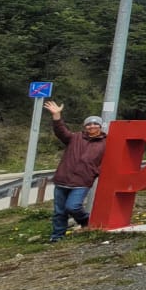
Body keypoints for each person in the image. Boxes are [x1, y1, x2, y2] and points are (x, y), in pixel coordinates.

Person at [43, 100, 107, 243]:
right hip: (62, 179)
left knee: (73, 206)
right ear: (85, 127)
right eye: (89, 124)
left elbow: (107, 162)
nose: (92, 126)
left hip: (82, 181)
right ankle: (57, 236)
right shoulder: (75, 137)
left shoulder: (106, 143)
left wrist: (95, 172)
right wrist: (57, 116)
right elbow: (60, 131)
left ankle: (85, 221)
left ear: (100, 126)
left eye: (95, 124)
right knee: (59, 212)